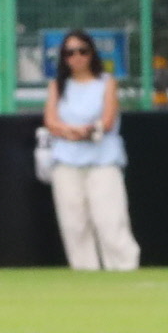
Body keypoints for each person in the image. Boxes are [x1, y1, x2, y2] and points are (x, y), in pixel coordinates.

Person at [40, 27, 138, 270]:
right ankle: (85, 272)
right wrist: (70, 132)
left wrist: (87, 131)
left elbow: (108, 120)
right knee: (74, 223)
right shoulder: (58, 85)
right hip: (66, 160)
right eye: (70, 53)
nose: (77, 57)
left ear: (91, 53)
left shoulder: (106, 82)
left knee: (110, 219)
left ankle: (124, 269)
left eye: (82, 51)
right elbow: (51, 121)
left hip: (102, 159)